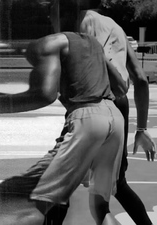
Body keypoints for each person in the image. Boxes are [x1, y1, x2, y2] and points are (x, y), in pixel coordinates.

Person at [44, 0, 156, 224]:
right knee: (112, 191)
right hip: (118, 108)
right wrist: (141, 129)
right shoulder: (115, 27)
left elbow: (63, 82)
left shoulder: (72, 24)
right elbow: (141, 80)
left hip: (90, 103)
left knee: (57, 189)